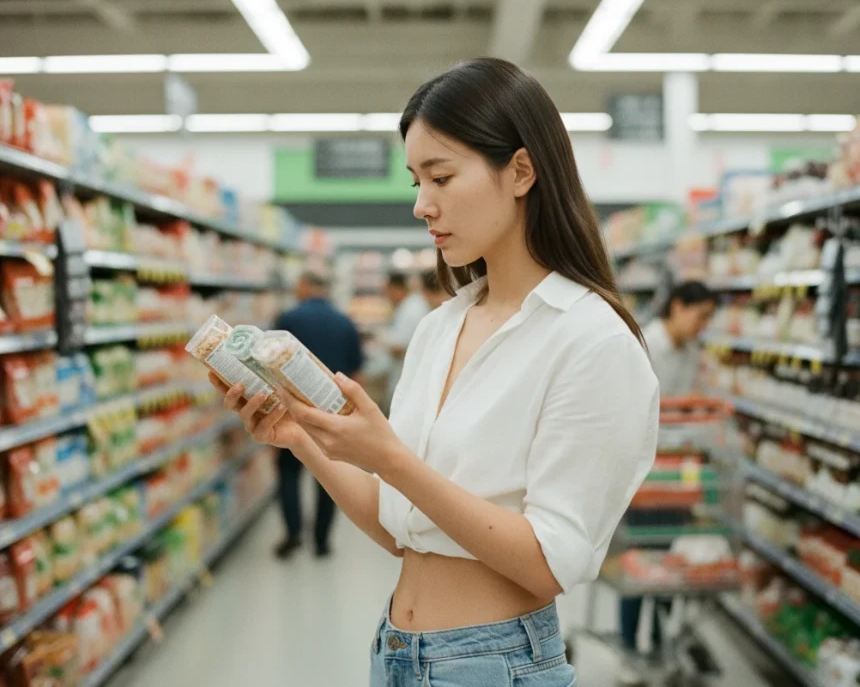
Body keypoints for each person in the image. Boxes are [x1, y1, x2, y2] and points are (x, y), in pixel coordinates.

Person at [212, 58, 658, 686]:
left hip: (493, 663)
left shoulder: (591, 341)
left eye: (441, 176)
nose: (422, 205)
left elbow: (547, 564)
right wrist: (300, 438)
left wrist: (391, 458)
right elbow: (403, 530)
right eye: (415, 181)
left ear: (522, 171)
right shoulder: (439, 327)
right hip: (396, 650)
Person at [618, 281, 717, 682]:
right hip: (642, 476)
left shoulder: (692, 354)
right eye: (701, 315)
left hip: (675, 475)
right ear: (677, 306)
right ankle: (629, 649)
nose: (703, 325)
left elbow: (690, 407)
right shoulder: (643, 344)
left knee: (668, 565)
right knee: (636, 563)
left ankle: (659, 645)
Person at [270, 269, 364, 560]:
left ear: (306, 286)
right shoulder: (345, 322)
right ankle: (322, 540)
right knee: (329, 474)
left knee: (288, 472)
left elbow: (268, 363)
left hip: (291, 409)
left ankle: (293, 534)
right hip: (332, 410)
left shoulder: (288, 320)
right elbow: (356, 371)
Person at [383, 272, 430, 410]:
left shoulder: (411, 310)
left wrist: (384, 341)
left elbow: (398, 348)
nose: (387, 296)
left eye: (388, 291)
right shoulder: (411, 305)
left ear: (396, 288)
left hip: (408, 378)